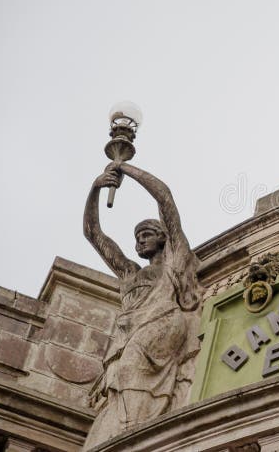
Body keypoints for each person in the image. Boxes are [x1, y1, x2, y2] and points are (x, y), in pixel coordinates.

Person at [82, 161, 201, 447]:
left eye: (147, 233)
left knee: (129, 366)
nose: (140, 241)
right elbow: (93, 234)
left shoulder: (175, 261)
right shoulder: (129, 274)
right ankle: (132, 430)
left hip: (162, 323)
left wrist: (125, 168)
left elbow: (165, 198)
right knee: (122, 375)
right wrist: (96, 189)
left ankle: (134, 432)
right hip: (133, 331)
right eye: (137, 238)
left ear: (163, 237)